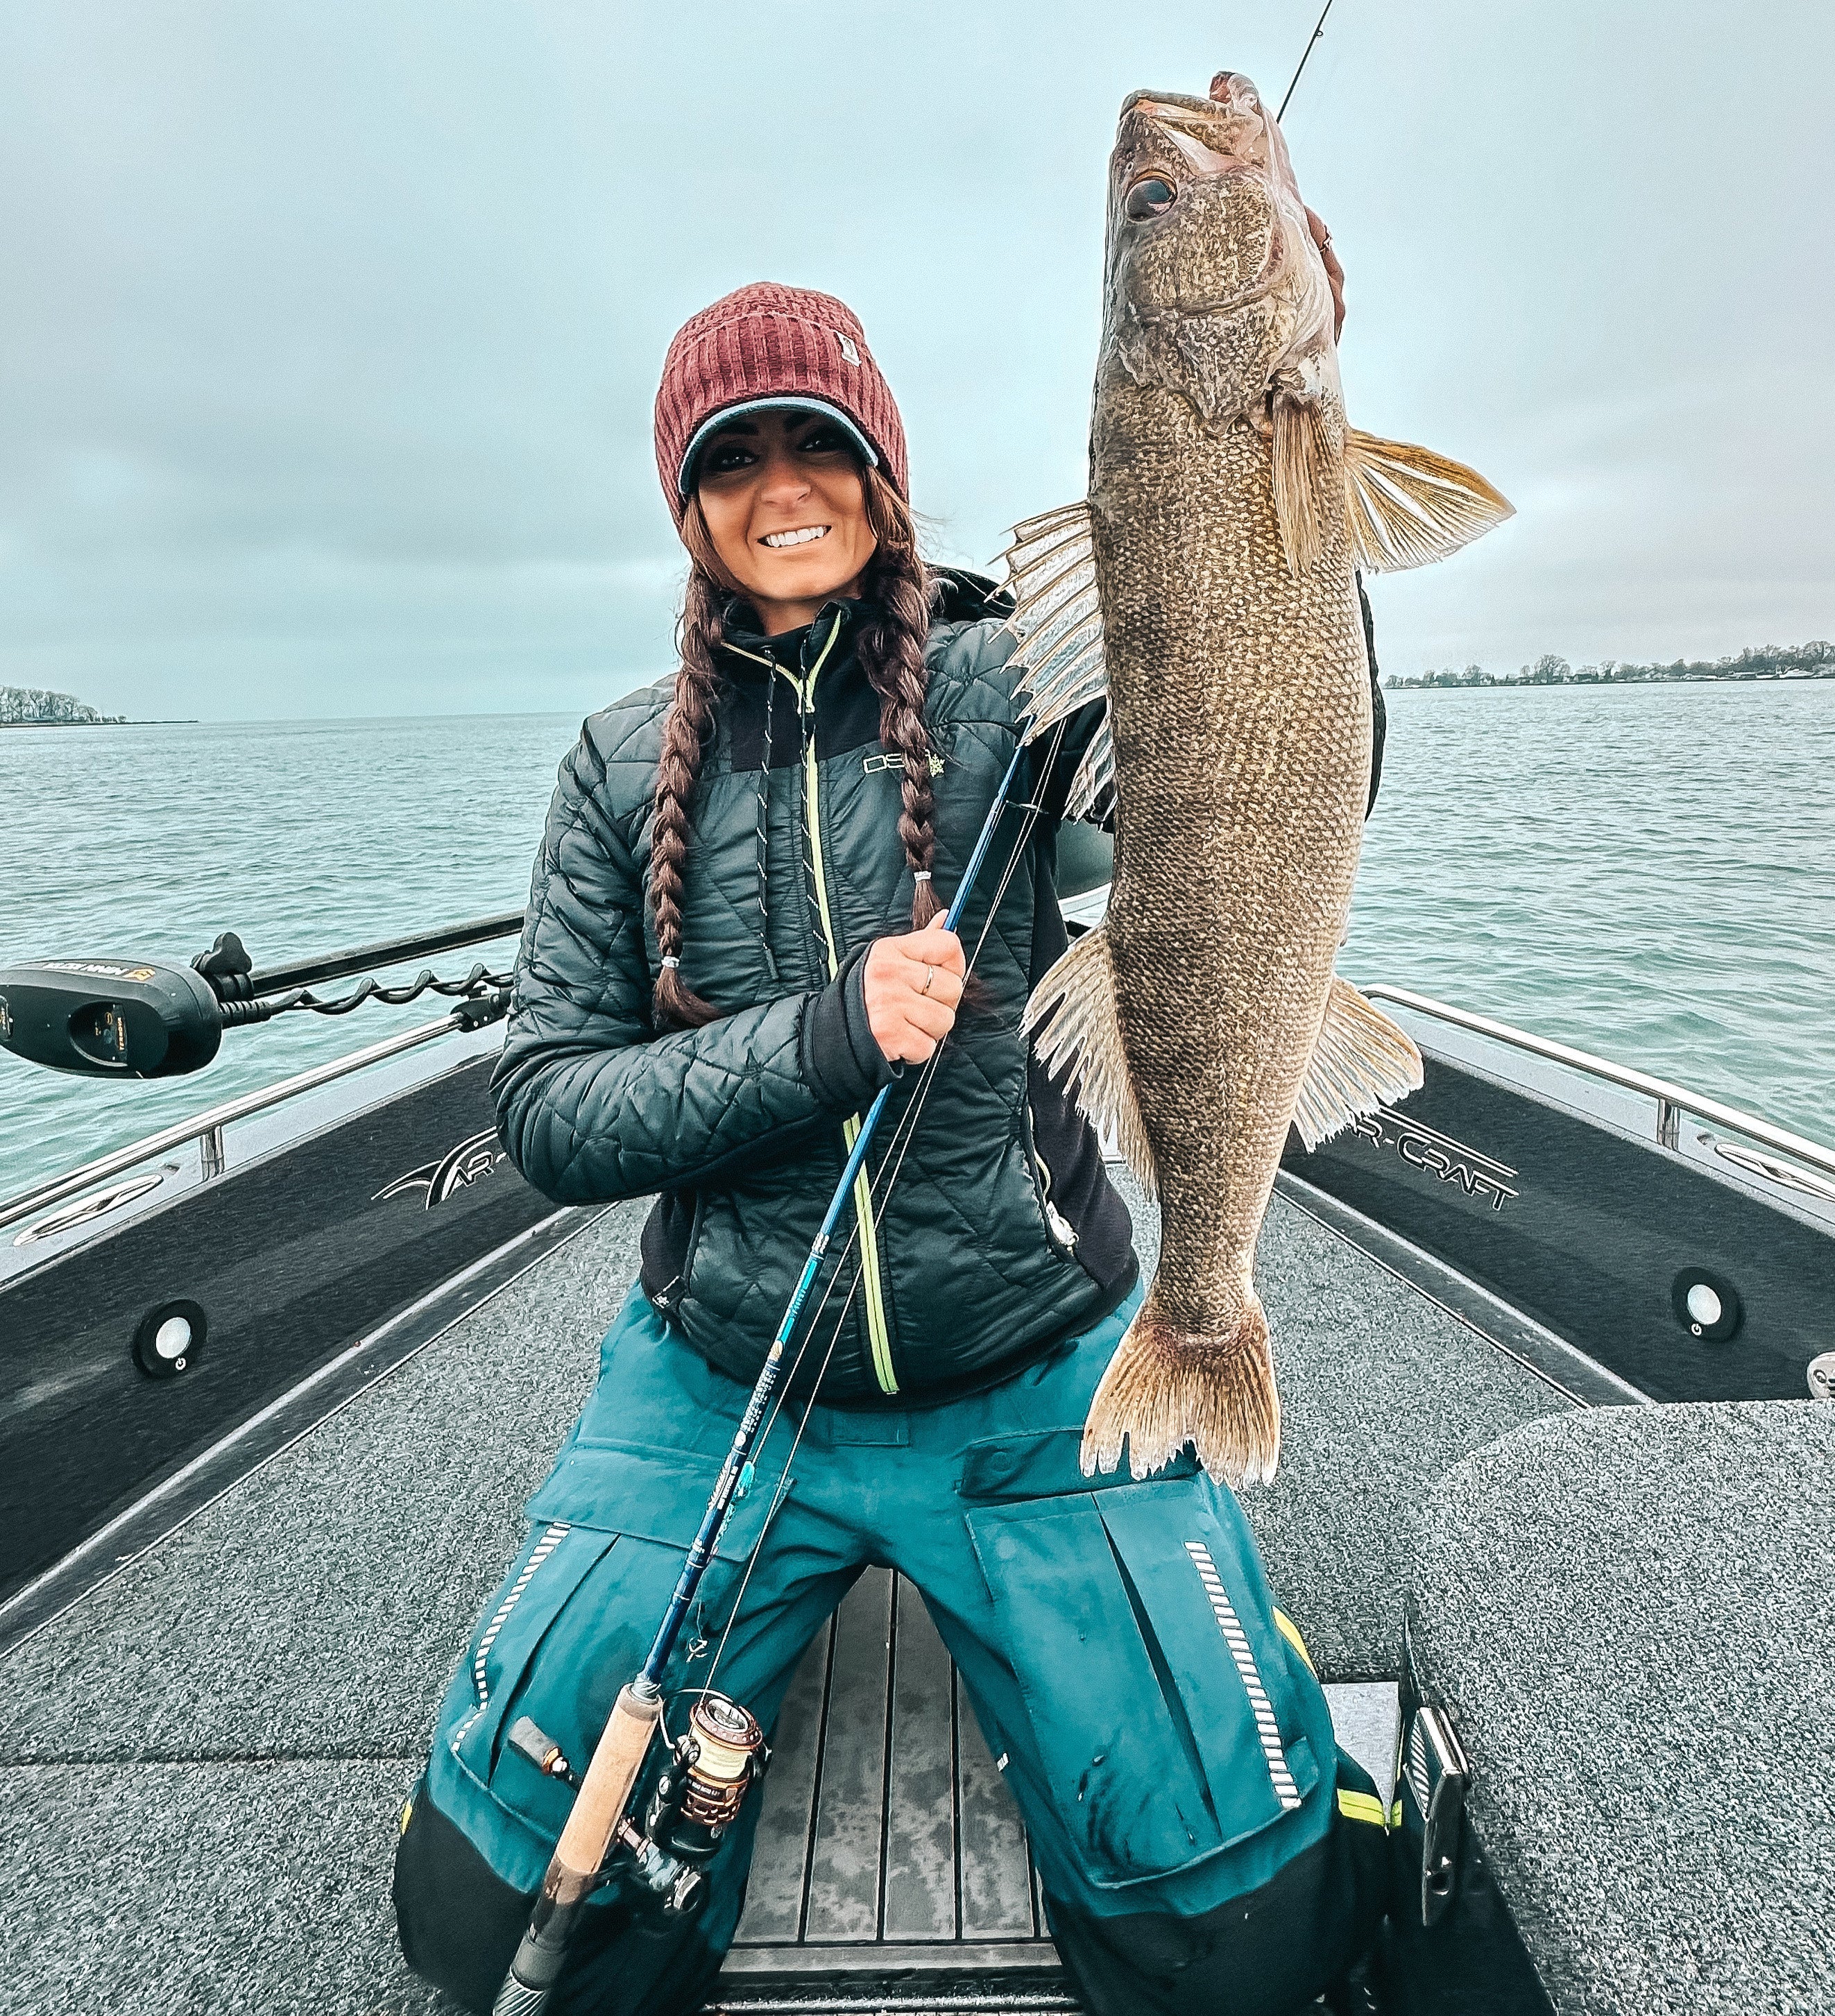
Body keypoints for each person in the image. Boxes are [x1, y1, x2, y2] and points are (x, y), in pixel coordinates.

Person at [393, 280, 1388, 2016]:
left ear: (884, 472)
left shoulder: (1019, 684)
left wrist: (1278, 473)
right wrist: (825, 1036)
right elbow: (549, 1106)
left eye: (821, 445)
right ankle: (734, 1715)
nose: (784, 486)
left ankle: (1234, 1668)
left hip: (1030, 1366)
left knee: (1248, 1936)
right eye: (734, 458)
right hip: (722, 1387)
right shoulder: (622, 764)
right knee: (482, 1926)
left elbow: (1294, 749)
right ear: (685, 502)